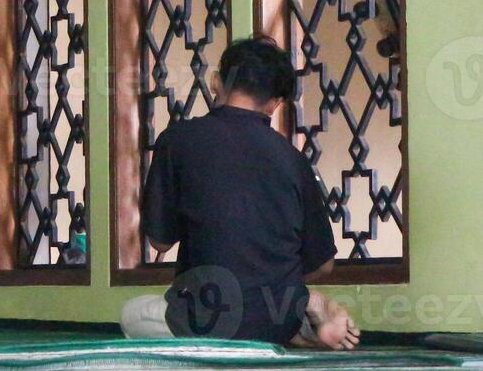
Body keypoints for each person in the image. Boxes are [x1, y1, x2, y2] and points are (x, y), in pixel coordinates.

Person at [120, 37, 360, 351]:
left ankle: (273, 324)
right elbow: (323, 263)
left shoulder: (177, 141)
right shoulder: (294, 159)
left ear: (217, 81)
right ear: (275, 103)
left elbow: (160, 241)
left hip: (207, 320)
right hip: (276, 319)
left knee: (131, 313)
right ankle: (303, 313)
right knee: (275, 302)